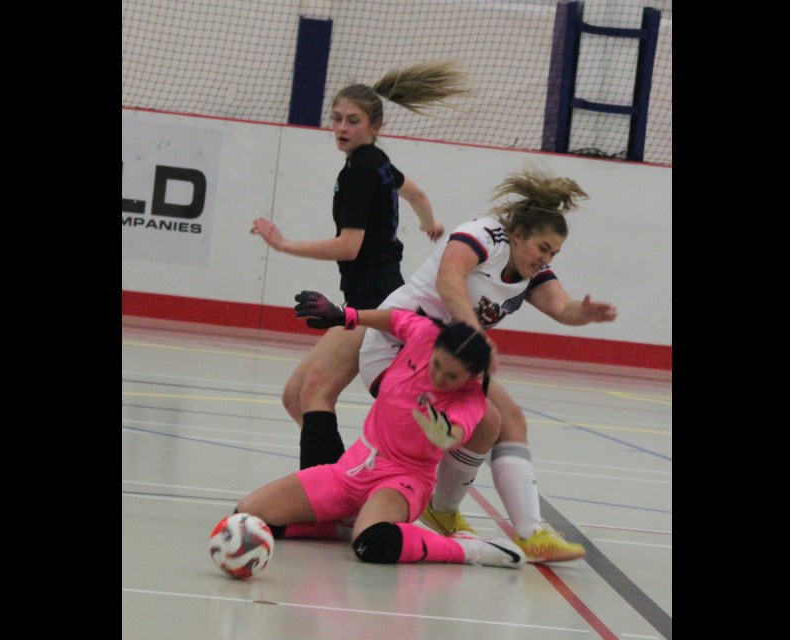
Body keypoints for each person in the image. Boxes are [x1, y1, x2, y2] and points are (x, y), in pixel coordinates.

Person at [292, 166, 618, 563]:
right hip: (399, 344)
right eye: (543, 248)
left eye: (554, 253)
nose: (546, 259)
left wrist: (582, 314)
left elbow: (561, 307)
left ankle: (506, 526)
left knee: (505, 420)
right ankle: (388, 500)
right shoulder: (484, 235)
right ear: (517, 235)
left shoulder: (532, 270)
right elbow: (449, 281)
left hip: (447, 354)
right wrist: (476, 338)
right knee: (485, 421)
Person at [250, 61, 467, 470]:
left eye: (352, 120)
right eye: (336, 119)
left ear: (374, 125)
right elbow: (416, 193)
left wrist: (284, 245)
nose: (341, 128)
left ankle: (331, 491)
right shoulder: (376, 161)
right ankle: (347, 475)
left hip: (374, 300)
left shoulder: (360, 170)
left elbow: (349, 247)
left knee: (313, 390)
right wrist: (430, 222)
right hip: (380, 295)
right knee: (295, 393)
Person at [232, 290, 526, 570]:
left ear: (471, 377)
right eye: (436, 365)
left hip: (403, 481)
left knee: (372, 542)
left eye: (451, 376)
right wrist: (346, 315)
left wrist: (446, 436)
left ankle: (466, 549)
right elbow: (394, 318)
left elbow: (458, 432)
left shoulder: (471, 398)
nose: (437, 378)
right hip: (352, 469)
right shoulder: (425, 333)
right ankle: (341, 526)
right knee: (247, 516)